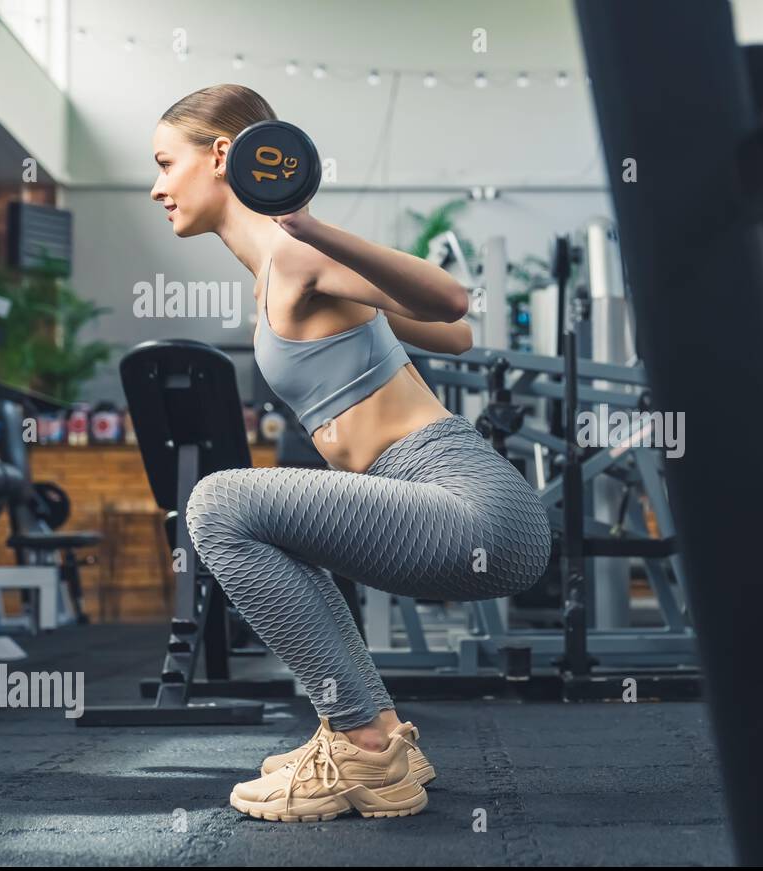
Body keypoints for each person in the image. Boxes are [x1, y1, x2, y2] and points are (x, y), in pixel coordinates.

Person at [150, 84, 552, 822]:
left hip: (468, 508)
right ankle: (379, 735)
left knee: (217, 505)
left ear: (220, 158)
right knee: (275, 524)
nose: (155, 187)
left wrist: (309, 225)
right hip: (455, 505)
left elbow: (455, 307)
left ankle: (361, 743)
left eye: (164, 164)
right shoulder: (282, 269)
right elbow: (453, 337)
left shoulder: (297, 253)